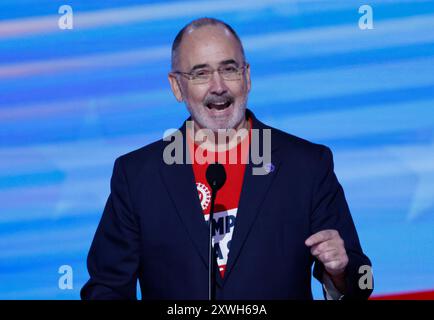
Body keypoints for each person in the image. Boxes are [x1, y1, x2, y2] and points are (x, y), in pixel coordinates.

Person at [81, 17, 373, 300]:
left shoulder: (306, 165)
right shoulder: (137, 175)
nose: (218, 86)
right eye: (200, 73)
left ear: (246, 77)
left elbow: (363, 278)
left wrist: (339, 273)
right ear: (176, 86)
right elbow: (106, 287)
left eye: (229, 69)